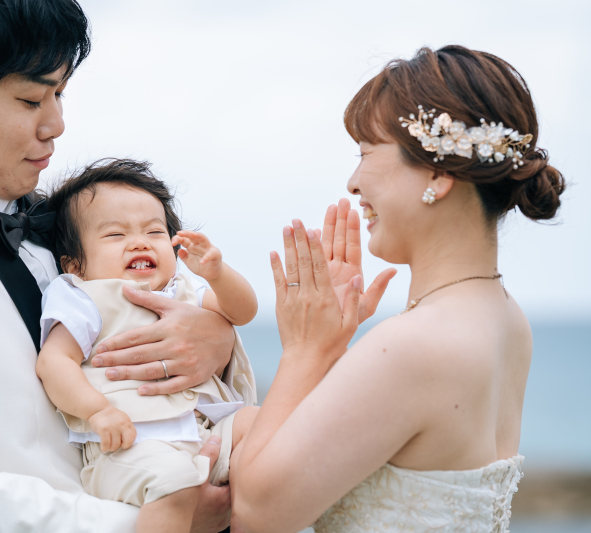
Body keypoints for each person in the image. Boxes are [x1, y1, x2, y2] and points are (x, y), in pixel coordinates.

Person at [0, 1, 240, 531]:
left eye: (59, 94)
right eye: (31, 98)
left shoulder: (67, 215)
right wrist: (153, 521)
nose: (56, 124)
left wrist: (214, 336)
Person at [232, 45, 566, 533]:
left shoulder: (416, 345)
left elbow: (254, 514)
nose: (352, 182)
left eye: (366, 153)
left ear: (438, 172)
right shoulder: (506, 318)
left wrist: (307, 350)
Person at [37, 159, 260, 532]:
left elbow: (243, 312)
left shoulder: (185, 290)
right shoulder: (83, 295)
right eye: (115, 235)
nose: (140, 242)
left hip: (207, 431)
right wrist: (97, 412)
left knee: (266, 423)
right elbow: (55, 361)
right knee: (174, 482)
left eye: (155, 232)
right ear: (75, 265)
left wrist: (218, 276)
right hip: (131, 445)